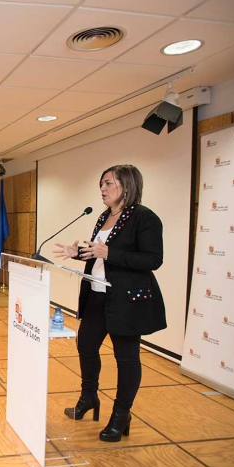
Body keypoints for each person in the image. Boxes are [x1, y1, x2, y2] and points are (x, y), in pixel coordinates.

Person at [53, 164, 167, 443]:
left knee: (126, 359)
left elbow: (153, 259)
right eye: (101, 184)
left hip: (126, 301)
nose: (102, 189)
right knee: (86, 346)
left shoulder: (144, 217)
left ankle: (121, 414)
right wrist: (78, 253)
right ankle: (89, 396)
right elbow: (100, 255)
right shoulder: (104, 217)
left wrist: (109, 251)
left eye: (108, 184)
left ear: (126, 187)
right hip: (97, 294)